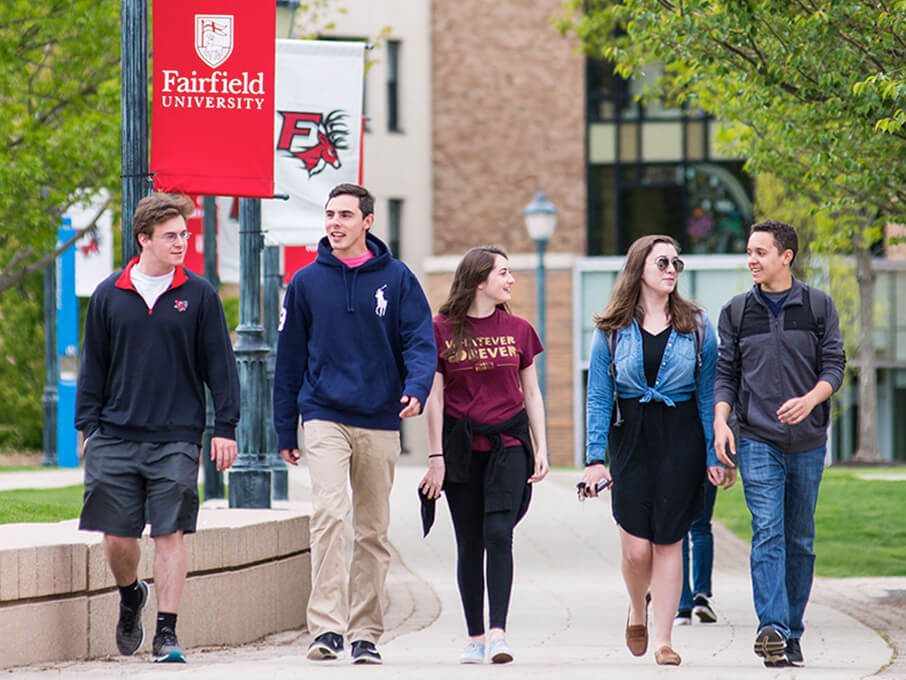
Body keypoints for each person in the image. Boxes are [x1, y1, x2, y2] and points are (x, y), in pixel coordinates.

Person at [273, 183, 436, 665]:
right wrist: (286, 428)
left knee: (371, 528)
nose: (335, 223)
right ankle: (325, 628)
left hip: (380, 417)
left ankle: (365, 632)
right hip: (323, 413)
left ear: (367, 221)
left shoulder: (398, 278)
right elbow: (289, 361)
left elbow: (420, 342)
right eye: (329, 215)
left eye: (345, 215)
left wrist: (417, 388)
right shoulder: (305, 282)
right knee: (328, 515)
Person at [75, 193, 240, 663]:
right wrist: (87, 426)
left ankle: (166, 634)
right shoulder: (110, 294)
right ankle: (131, 597)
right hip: (115, 434)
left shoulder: (200, 294)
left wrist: (224, 426)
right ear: (143, 239)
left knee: (170, 532)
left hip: (177, 436)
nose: (181, 243)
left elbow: (220, 367)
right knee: (116, 536)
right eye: (171, 235)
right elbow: (94, 367)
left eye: (184, 235)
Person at [579, 235, 732, 667]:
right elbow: (598, 397)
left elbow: (707, 396)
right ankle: (637, 607)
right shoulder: (610, 329)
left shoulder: (697, 326)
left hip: (680, 438)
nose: (671, 269)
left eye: (676, 263)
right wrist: (594, 460)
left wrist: (712, 455)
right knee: (636, 551)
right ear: (639, 268)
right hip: (629, 439)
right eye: (662, 261)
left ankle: (664, 639)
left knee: (669, 541)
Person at [713, 220, 845, 667]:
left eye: (760, 252)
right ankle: (771, 627)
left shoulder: (818, 306)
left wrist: (810, 400)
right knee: (767, 529)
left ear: (786, 256)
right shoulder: (735, 312)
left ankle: (792, 631)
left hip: (808, 441)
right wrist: (721, 422)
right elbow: (726, 375)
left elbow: (835, 366)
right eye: (749, 251)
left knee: (800, 538)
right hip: (756, 437)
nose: (752, 259)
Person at [418, 246, 550, 665]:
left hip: (508, 445)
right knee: (469, 542)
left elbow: (531, 391)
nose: (510, 281)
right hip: (460, 448)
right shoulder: (440, 330)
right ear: (479, 280)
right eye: (503, 273)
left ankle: (499, 633)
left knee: (499, 533)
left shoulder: (519, 329)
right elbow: (434, 397)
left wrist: (541, 445)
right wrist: (435, 456)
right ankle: (475, 636)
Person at [674, 481, 718, 625]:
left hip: (675, 468)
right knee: (702, 527)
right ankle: (701, 596)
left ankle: (683, 605)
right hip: (705, 467)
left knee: (680, 531)